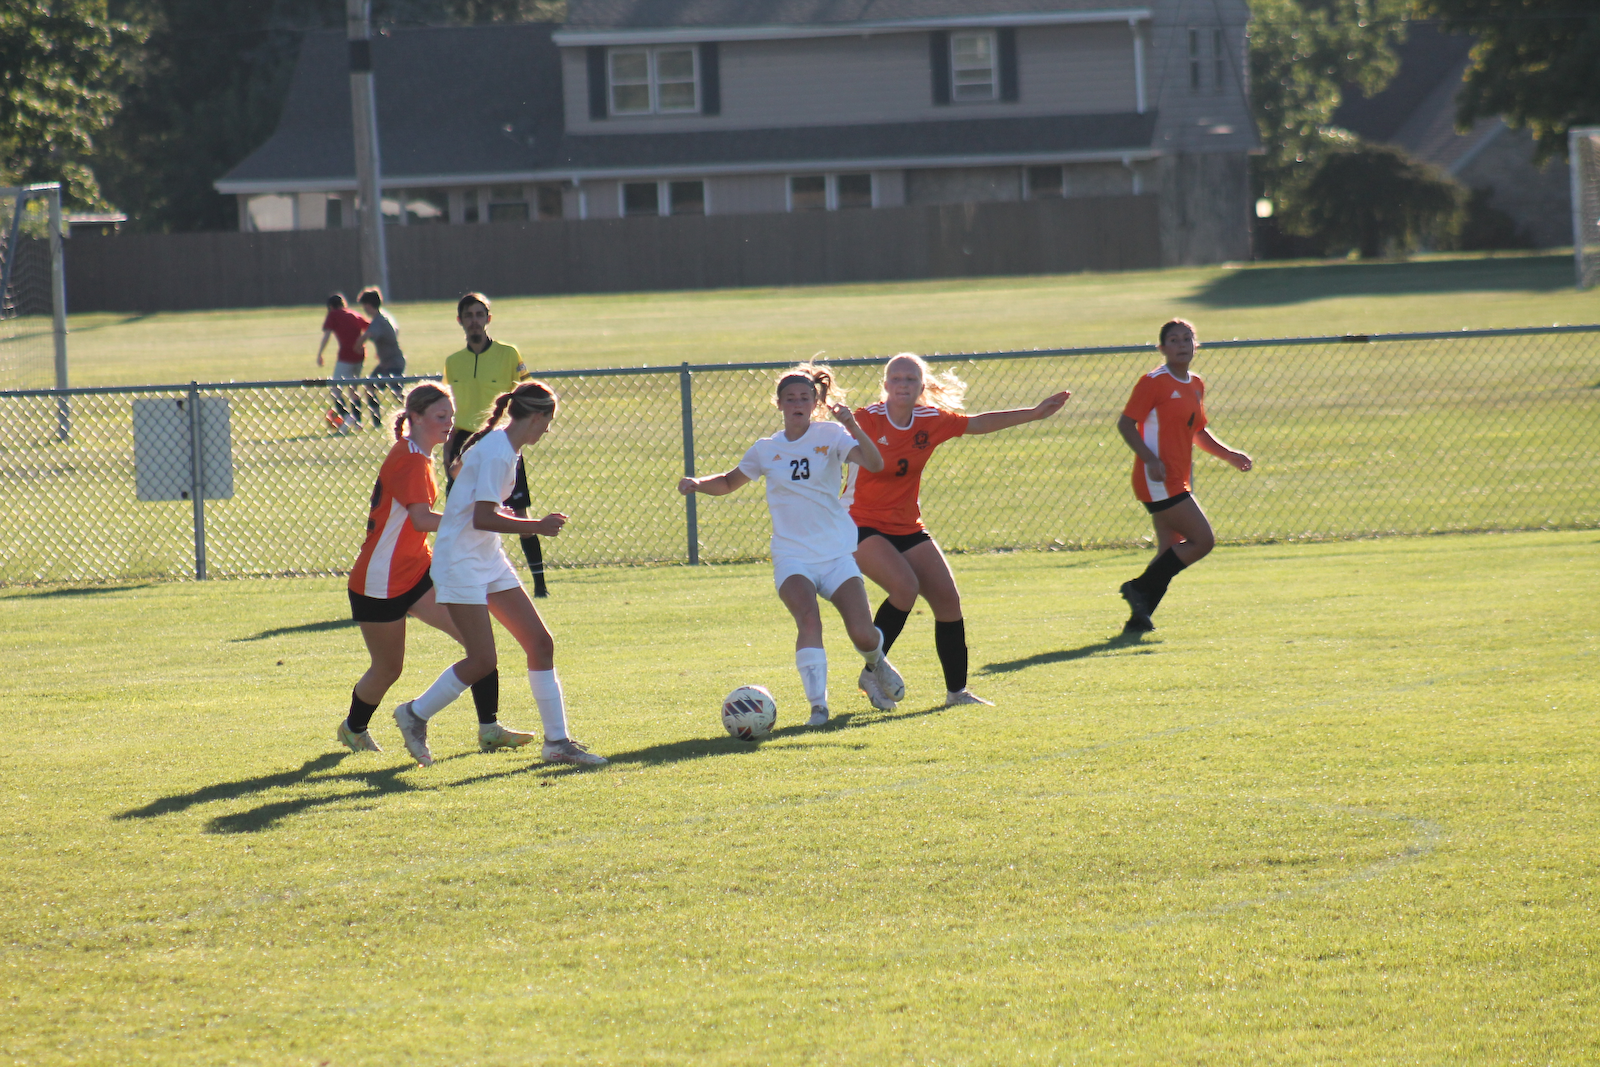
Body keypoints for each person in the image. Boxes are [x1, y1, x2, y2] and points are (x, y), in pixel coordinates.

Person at [392, 381, 606, 768]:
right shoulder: (497, 451)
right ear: (536, 416)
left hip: (486, 557)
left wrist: (487, 501)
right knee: (481, 659)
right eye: (548, 421)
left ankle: (557, 743)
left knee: (540, 643)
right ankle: (414, 714)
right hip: (460, 561)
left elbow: (463, 477)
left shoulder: (503, 447)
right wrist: (536, 525)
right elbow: (482, 517)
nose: (548, 430)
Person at [678, 363, 904, 727]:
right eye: (790, 398)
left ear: (814, 403)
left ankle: (876, 662)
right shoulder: (766, 449)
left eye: (804, 397)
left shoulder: (831, 434)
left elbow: (875, 464)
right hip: (792, 555)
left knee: (863, 633)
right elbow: (729, 481)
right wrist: (698, 483)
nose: (797, 403)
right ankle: (818, 707)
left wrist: (852, 425)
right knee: (808, 618)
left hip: (835, 552)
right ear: (779, 404)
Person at [848, 353, 1072, 709]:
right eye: (896, 379)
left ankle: (957, 693)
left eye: (911, 379)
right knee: (905, 588)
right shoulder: (866, 419)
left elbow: (977, 423)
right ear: (885, 385)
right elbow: (824, 441)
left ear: (922, 386)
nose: (903, 385)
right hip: (859, 523)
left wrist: (1033, 413)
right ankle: (873, 671)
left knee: (948, 601)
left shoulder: (930, 420)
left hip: (906, 524)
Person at [337, 382, 536, 753]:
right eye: (440, 416)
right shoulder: (410, 459)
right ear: (415, 418)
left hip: (417, 572)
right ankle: (354, 727)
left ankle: (490, 728)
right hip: (379, 581)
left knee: (478, 647)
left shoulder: (419, 455)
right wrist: (475, 519)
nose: (449, 423)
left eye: (451, 416)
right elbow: (421, 519)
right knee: (388, 668)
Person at [1115, 319, 1253, 634]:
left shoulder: (1196, 383)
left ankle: (1138, 619)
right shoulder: (1153, 382)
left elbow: (1198, 431)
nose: (1181, 345)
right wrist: (1150, 459)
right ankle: (1138, 588)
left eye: (1187, 339)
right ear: (1162, 348)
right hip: (1157, 478)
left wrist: (1230, 455)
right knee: (1202, 541)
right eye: (1174, 340)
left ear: (1195, 345)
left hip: (1177, 476)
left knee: (1170, 549)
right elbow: (1125, 424)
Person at [442, 292, 548, 596]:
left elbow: (530, 393)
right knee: (460, 513)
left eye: (479, 314)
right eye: (468, 315)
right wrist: (449, 449)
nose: (474, 321)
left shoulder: (508, 354)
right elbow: (449, 408)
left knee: (519, 512)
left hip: (501, 440)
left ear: (488, 318)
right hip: (465, 443)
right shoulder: (453, 362)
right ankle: (453, 579)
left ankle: (540, 585)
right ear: (460, 321)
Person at [316, 292, 377, 431]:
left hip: (346, 356)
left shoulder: (333, 314)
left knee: (335, 389)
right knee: (353, 389)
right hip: (360, 355)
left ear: (331, 306)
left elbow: (327, 335)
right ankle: (358, 422)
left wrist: (320, 354)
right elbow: (370, 329)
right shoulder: (354, 314)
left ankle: (347, 418)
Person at [357, 287, 405, 409]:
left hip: (392, 362)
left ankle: (411, 413)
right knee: (370, 386)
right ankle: (376, 417)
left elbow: (368, 335)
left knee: (398, 393)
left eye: (364, 306)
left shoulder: (378, 321)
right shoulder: (385, 316)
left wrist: (357, 346)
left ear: (368, 306)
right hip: (388, 361)